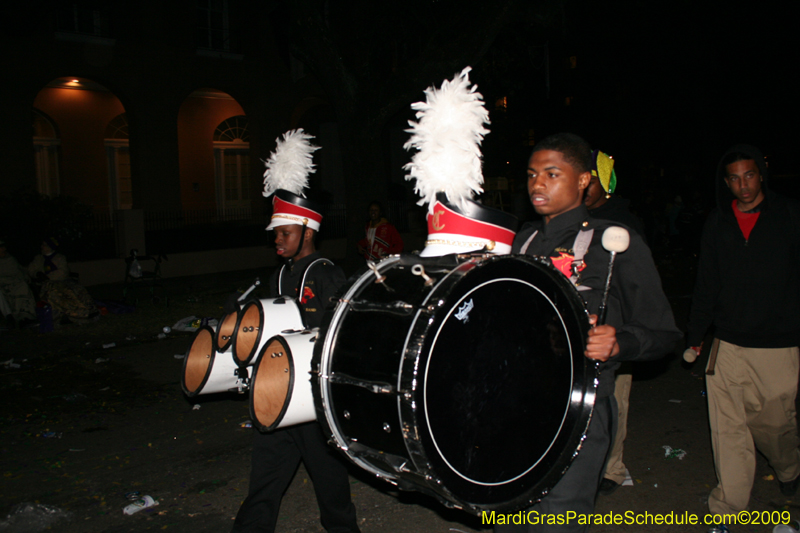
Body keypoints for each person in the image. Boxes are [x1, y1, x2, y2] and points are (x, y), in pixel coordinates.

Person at [498, 133, 680, 533]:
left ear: (583, 180)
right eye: (531, 174)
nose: (536, 184)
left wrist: (620, 342)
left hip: (579, 409)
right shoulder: (519, 240)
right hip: (514, 410)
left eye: (551, 173)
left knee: (557, 525)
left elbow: (665, 333)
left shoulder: (613, 242)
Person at [232, 129, 360, 533]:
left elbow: (337, 334)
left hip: (310, 403)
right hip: (277, 393)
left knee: (330, 486)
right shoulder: (281, 275)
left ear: (308, 231)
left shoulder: (325, 274)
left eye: (285, 233)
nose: (278, 241)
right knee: (264, 479)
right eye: (276, 235)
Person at [685, 144, 800, 516]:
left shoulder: (788, 215)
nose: (743, 185)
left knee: (776, 423)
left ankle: (788, 466)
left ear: (761, 173)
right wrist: (696, 336)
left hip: (778, 341)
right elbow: (706, 283)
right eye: (734, 178)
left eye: (749, 175)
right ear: (726, 182)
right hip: (728, 341)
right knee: (727, 427)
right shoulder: (718, 222)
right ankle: (729, 503)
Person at [583, 151, 646, 496]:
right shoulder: (574, 221)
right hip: (583, 330)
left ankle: (612, 467)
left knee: (615, 400)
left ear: (603, 181)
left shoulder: (622, 223)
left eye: (589, 178)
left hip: (615, 330)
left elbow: (638, 286)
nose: (582, 186)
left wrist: (627, 332)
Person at [28, 237, 97, 323]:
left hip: (62, 281)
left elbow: (63, 271)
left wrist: (48, 276)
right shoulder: (38, 259)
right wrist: (37, 274)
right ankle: (74, 314)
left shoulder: (60, 258)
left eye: (44, 245)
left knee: (78, 290)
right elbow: (31, 269)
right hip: (48, 284)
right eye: (42, 245)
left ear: (50, 247)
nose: (42, 247)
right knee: (59, 294)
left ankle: (89, 309)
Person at [0, 239, 36, 328]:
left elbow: (20, 271)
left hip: (16, 283)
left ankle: (25, 318)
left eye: (3, 247)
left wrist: (26, 277)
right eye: (1, 247)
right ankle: (10, 317)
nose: (3, 249)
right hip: (3, 285)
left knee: (22, 287)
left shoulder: (10, 259)